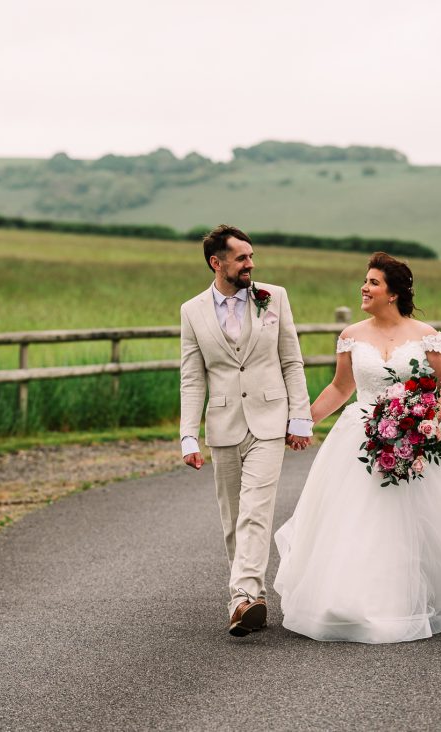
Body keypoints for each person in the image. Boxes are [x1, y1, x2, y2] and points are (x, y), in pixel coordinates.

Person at [273, 252, 441, 643]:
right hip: (361, 435)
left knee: (435, 517)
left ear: (393, 293)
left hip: (420, 432)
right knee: (366, 520)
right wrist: (303, 420)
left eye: (372, 282)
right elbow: (340, 388)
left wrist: (428, 422)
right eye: (365, 281)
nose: (364, 288)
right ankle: (362, 601)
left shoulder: (426, 335)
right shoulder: (351, 335)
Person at [179, 225, 313, 637]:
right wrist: (188, 434)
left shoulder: (274, 297)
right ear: (216, 263)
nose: (250, 264)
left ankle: (242, 596)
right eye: (241, 258)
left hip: (270, 420)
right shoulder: (192, 310)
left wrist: (300, 416)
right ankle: (248, 597)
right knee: (233, 517)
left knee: (256, 509)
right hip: (222, 425)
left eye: (252, 256)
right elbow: (191, 376)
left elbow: (291, 360)